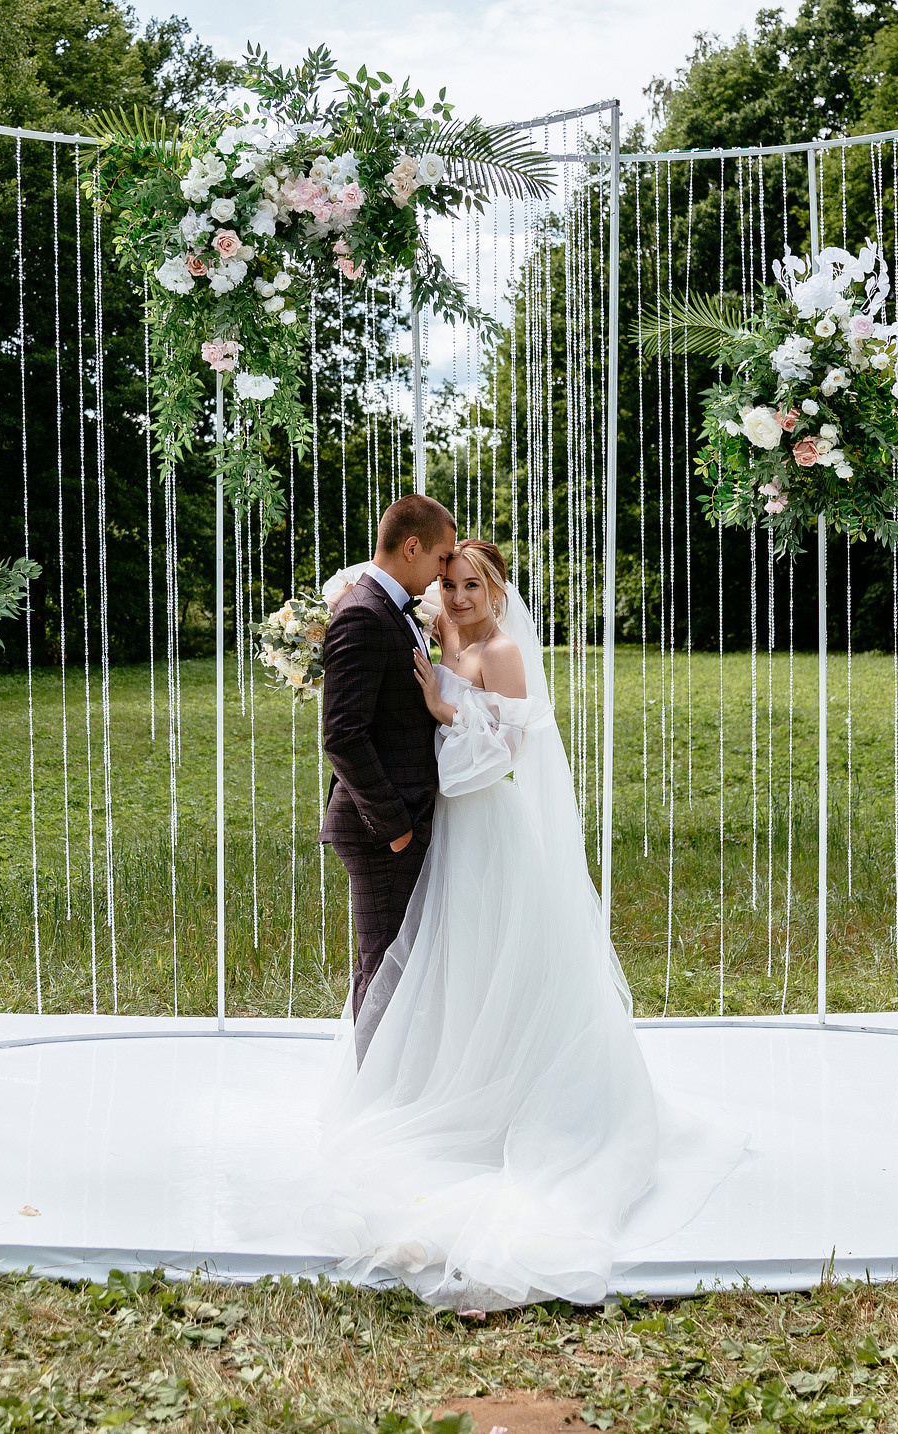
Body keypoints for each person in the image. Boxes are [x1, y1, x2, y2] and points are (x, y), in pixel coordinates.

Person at [314, 537, 675, 1309]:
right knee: (453, 961)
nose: (460, 595)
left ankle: (509, 1101)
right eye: (450, 583)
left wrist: (447, 706)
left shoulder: (504, 654)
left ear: (498, 589)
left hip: (490, 825)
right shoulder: (444, 636)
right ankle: (448, 1079)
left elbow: (506, 756)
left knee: (502, 959)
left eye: (473, 584)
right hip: (449, 829)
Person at [318, 494, 459, 1022]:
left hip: (402, 819)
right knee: (383, 971)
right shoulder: (363, 614)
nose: (444, 571)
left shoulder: (389, 609)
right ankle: (374, 1098)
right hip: (382, 829)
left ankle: (392, 1090)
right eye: (442, 557)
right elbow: (342, 737)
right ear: (413, 545)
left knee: (399, 966)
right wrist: (395, 827)